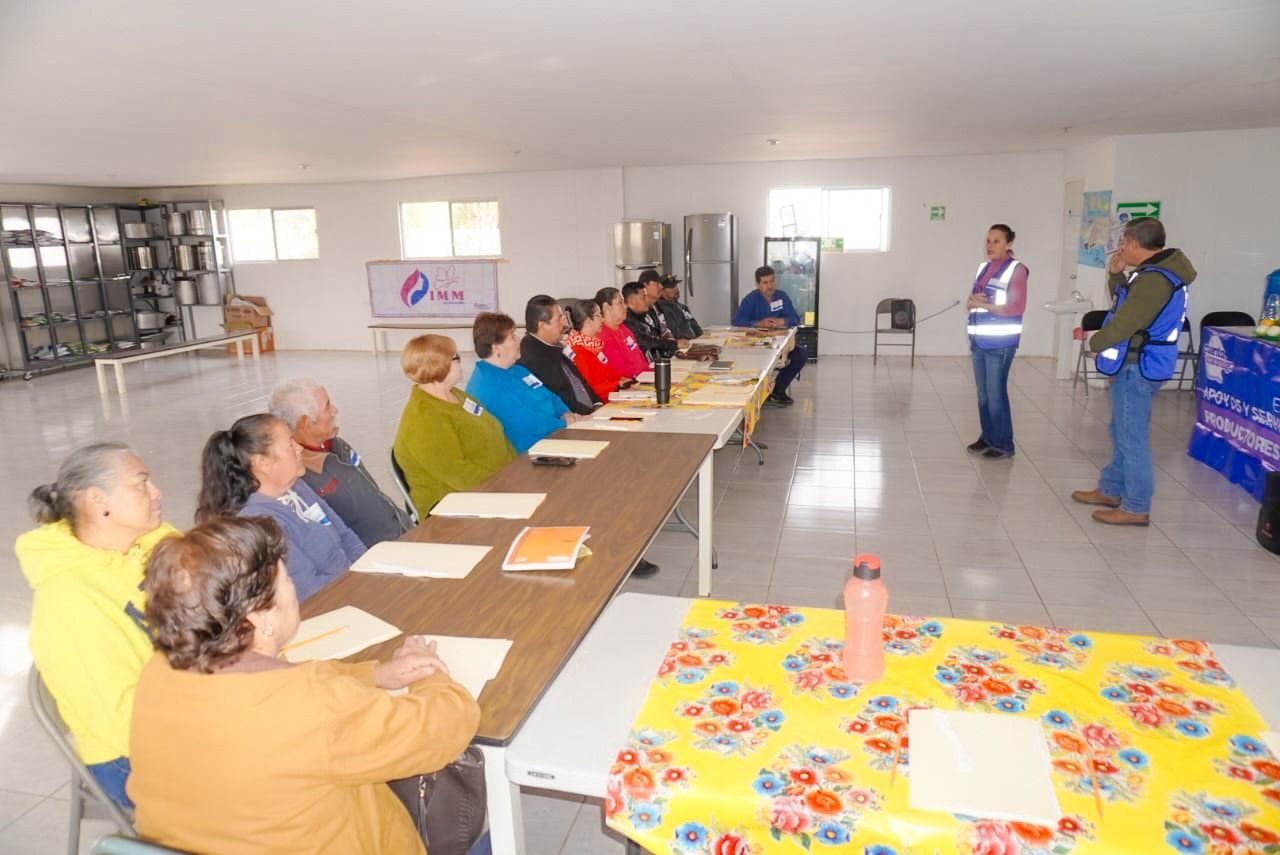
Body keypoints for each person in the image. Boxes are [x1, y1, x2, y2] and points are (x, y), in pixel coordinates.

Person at [128, 515, 481, 854]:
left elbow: (292, 690)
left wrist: (375, 675)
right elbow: (446, 727)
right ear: (259, 617)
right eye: (288, 581)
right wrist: (430, 674)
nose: (293, 588)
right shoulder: (308, 705)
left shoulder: (159, 673)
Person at [14, 442, 176, 809]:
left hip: (182, 705)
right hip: (131, 758)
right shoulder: (70, 600)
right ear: (99, 500)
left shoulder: (145, 544)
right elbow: (125, 725)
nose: (157, 491)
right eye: (142, 483)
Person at [1072, 217, 1197, 525]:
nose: (1121, 248)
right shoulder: (1152, 273)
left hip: (1137, 366)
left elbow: (1126, 323)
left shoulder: (1155, 280)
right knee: (1121, 430)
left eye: (1123, 242)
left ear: (1134, 243)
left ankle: (1136, 506)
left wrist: (1096, 342)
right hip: (1136, 362)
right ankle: (1111, 489)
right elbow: (1125, 304)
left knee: (1131, 437)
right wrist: (1116, 276)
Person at [196, 413, 366, 600]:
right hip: (332, 602)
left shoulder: (297, 486)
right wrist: (359, 585)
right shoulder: (259, 522)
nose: (299, 448)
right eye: (290, 444)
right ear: (262, 463)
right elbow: (310, 591)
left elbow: (346, 536)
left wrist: (368, 570)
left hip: (356, 585)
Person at [269, 378, 412, 545]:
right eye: (327, 407)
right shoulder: (301, 475)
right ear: (305, 423)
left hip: (403, 531)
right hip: (378, 550)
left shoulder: (337, 445)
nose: (335, 410)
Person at [393, 334, 515, 514]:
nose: (461, 361)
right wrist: (506, 485)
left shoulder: (455, 394)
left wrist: (516, 469)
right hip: (451, 503)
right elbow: (458, 474)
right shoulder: (424, 417)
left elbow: (495, 429)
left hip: (495, 485)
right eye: (456, 357)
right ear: (438, 364)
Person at [466, 311, 585, 452]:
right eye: (512, 336)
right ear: (496, 347)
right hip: (530, 451)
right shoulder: (487, 385)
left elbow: (551, 397)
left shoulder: (519, 371)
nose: (518, 340)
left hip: (556, 436)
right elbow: (526, 421)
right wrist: (563, 423)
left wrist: (565, 413)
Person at [964, 224, 1029, 460]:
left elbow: (1016, 307)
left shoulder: (1017, 270)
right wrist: (972, 302)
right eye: (988, 241)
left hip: (1000, 344)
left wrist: (983, 304)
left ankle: (1003, 444)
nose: (990, 246)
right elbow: (970, 302)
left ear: (1009, 243)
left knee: (995, 394)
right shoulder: (983, 268)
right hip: (979, 340)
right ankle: (988, 437)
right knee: (983, 394)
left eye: (996, 241)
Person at [732, 266, 810, 405]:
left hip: (780, 345)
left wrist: (782, 321)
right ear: (758, 284)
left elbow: (795, 318)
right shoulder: (750, 300)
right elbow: (737, 321)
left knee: (801, 355)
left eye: (772, 281)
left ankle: (778, 391)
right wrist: (758, 323)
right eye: (765, 282)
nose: (770, 286)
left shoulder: (782, 296)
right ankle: (756, 393)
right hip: (756, 346)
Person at [518, 294, 602, 415]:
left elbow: (581, 382)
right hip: (576, 419)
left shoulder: (553, 345)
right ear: (542, 325)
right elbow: (561, 398)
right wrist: (592, 414)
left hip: (590, 413)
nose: (565, 324)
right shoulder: (533, 357)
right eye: (559, 319)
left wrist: (597, 403)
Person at [564, 298, 633, 402]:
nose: (602, 320)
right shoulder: (578, 351)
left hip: (613, 394)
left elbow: (608, 373)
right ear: (588, 321)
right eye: (598, 315)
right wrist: (617, 384)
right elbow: (589, 389)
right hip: (602, 402)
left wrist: (621, 379)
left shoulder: (594, 344)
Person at [595, 286, 651, 378]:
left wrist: (651, 373)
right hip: (630, 383)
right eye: (620, 303)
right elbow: (620, 372)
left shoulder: (623, 329)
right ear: (607, 307)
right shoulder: (603, 336)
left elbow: (640, 359)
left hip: (643, 377)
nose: (625, 306)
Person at [623, 281, 681, 362]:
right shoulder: (627, 321)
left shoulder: (641, 315)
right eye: (643, 297)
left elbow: (656, 336)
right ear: (632, 301)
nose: (647, 300)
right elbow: (644, 341)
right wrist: (674, 344)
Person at [657, 274, 703, 340]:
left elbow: (697, 329)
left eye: (676, 285)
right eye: (671, 287)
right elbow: (672, 334)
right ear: (661, 291)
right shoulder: (660, 309)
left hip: (694, 341)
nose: (676, 289)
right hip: (680, 344)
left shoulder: (682, 307)